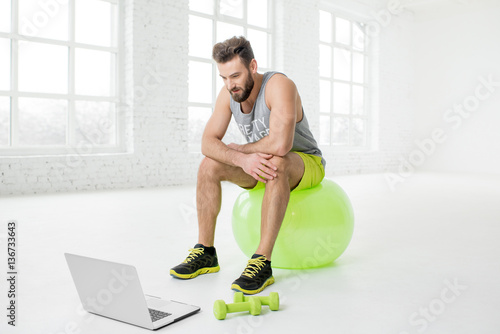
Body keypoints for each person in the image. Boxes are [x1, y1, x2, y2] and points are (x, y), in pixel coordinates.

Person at [170, 36, 326, 294]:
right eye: (223, 78)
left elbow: (280, 145)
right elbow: (207, 143)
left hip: (305, 162)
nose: (230, 85)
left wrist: (240, 149)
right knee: (209, 165)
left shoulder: (280, 86)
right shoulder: (228, 93)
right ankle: (206, 252)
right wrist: (241, 159)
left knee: (278, 163)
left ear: (252, 66)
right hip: (258, 163)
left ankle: (262, 262)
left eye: (235, 76)